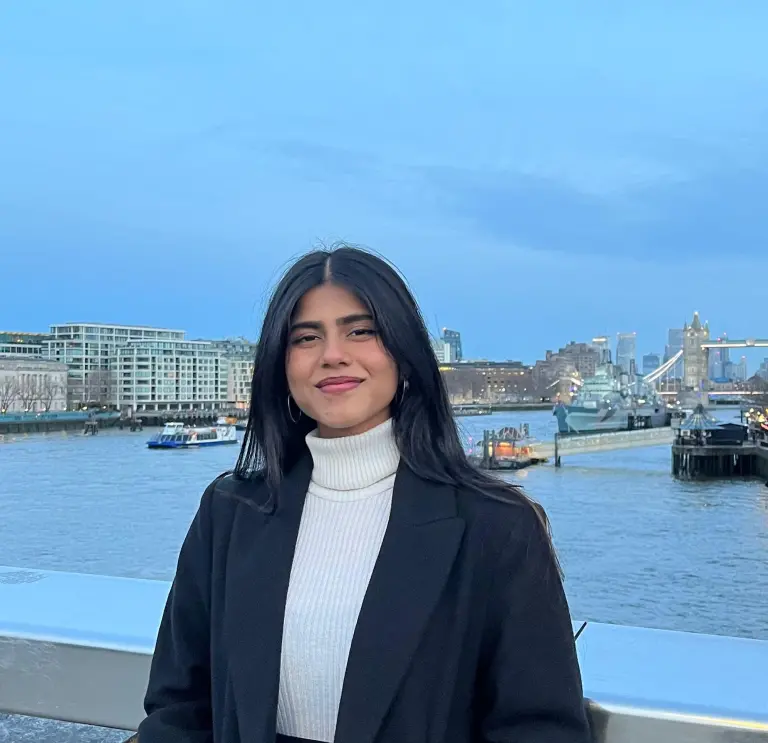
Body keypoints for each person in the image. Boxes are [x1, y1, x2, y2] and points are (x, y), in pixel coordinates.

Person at [137, 245, 591, 743]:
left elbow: (540, 728)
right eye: (306, 337)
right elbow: (178, 707)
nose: (333, 354)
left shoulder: (497, 526)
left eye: (361, 331)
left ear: (403, 351)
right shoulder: (229, 512)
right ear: (280, 364)